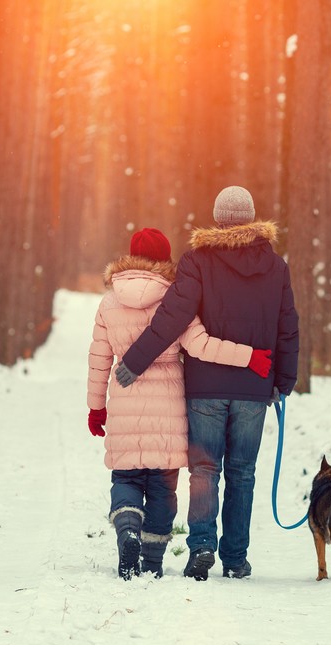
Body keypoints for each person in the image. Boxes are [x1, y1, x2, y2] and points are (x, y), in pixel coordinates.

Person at [115, 186, 299, 581]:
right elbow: (288, 328)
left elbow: (173, 316)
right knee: (242, 473)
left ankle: (201, 548)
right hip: (254, 387)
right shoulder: (276, 267)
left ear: (217, 219)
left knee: (204, 470)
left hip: (205, 388)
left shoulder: (197, 261)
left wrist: (134, 360)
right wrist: (284, 379)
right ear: (251, 219)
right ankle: (235, 558)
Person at [87, 227, 272, 580]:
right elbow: (202, 344)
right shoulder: (176, 298)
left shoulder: (109, 302)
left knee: (125, 477)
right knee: (162, 486)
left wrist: (97, 407)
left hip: (125, 403)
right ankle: (153, 560)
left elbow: (99, 358)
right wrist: (248, 357)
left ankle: (127, 528)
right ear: (165, 258)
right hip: (168, 409)